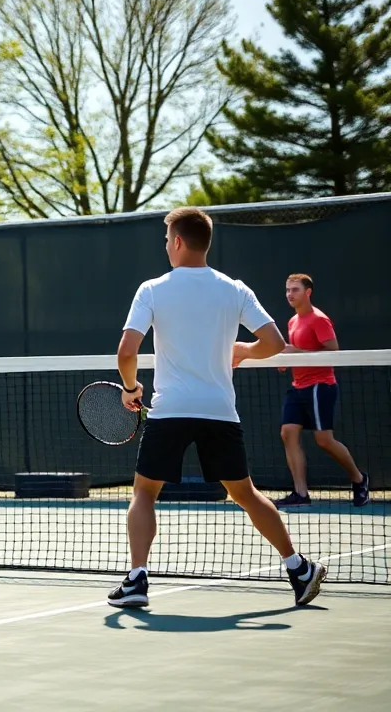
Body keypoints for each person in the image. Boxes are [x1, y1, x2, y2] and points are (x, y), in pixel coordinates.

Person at [109, 207, 325, 609]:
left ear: (176, 242)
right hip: (219, 412)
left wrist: (131, 387)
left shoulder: (152, 289)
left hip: (171, 410)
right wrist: (243, 350)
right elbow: (275, 344)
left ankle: (137, 580)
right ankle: (298, 568)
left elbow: (126, 352)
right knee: (245, 494)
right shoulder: (235, 289)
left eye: (166, 240)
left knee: (143, 493)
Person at [275, 273, 370, 508]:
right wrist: (287, 359)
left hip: (320, 386)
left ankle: (359, 479)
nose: (289, 294)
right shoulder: (292, 321)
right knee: (288, 433)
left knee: (324, 440)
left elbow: (332, 352)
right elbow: (297, 351)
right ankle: (300, 494)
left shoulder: (319, 319)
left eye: (295, 290)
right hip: (298, 387)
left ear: (308, 292)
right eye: (287, 290)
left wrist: (295, 353)